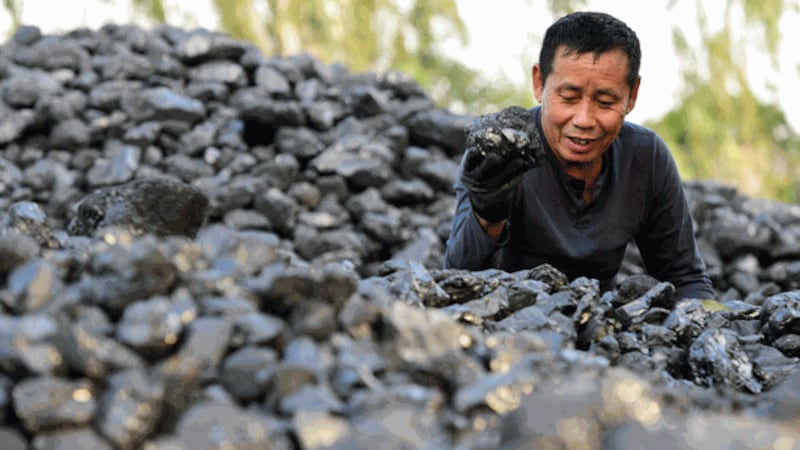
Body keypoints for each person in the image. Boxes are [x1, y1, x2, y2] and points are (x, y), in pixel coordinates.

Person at [443, 11, 715, 300]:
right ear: (539, 83)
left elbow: (685, 277)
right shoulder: (501, 150)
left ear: (632, 95)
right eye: (569, 98)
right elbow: (458, 280)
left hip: (598, 328)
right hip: (509, 324)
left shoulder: (646, 157)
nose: (584, 119)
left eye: (605, 101)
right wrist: (488, 216)